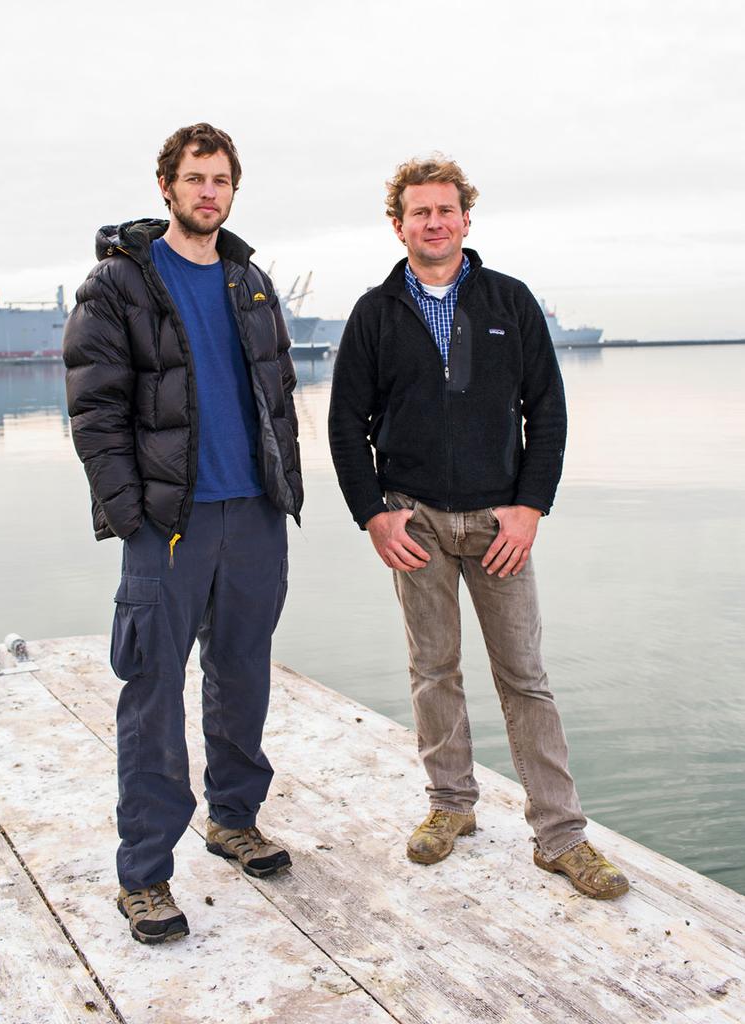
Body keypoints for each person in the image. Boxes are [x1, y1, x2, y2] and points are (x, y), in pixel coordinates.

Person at [328, 154, 628, 900]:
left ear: (467, 217)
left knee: (525, 678)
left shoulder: (510, 302)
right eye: (418, 211)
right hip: (415, 520)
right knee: (434, 671)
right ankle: (450, 807)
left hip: (500, 522)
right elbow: (344, 426)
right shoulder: (374, 313)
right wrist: (373, 514)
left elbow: (548, 414)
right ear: (397, 224)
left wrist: (530, 508)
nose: (434, 222)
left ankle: (561, 836)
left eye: (446, 209)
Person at [63, 123, 303, 944]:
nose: (209, 192)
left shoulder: (253, 281)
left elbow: (279, 396)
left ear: (234, 190)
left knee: (243, 677)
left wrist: (283, 494)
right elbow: (94, 410)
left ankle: (234, 820)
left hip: (254, 517)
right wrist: (131, 514)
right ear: (166, 185)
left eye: (222, 180)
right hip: (169, 527)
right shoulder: (118, 284)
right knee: (153, 695)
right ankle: (145, 876)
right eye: (195, 178)